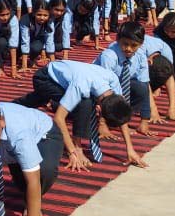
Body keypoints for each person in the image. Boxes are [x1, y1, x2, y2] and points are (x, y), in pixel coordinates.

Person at [12, 59, 143, 170]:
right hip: (45, 78)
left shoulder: (113, 82)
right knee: (84, 104)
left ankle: (12, 107)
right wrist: (73, 152)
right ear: (98, 109)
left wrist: (130, 149)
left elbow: (121, 113)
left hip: (66, 78)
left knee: (34, 101)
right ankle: (77, 145)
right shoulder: (81, 85)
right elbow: (58, 119)